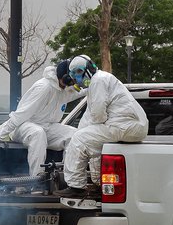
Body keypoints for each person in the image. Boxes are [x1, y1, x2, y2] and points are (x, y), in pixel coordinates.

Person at [61, 55, 148, 197]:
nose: (76, 78)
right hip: (131, 125)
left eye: (77, 73)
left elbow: (97, 115)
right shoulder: (99, 80)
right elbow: (92, 120)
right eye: (73, 75)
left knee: (79, 139)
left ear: (87, 69)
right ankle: (99, 183)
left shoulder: (98, 81)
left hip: (124, 125)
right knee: (91, 141)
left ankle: (75, 186)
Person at [0, 58, 83, 177]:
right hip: (24, 126)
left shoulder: (63, 90)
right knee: (38, 133)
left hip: (47, 126)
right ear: (65, 76)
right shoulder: (44, 87)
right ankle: (36, 180)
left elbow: (81, 92)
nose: (76, 80)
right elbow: (21, 114)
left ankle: (67, 178)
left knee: (74, 136)